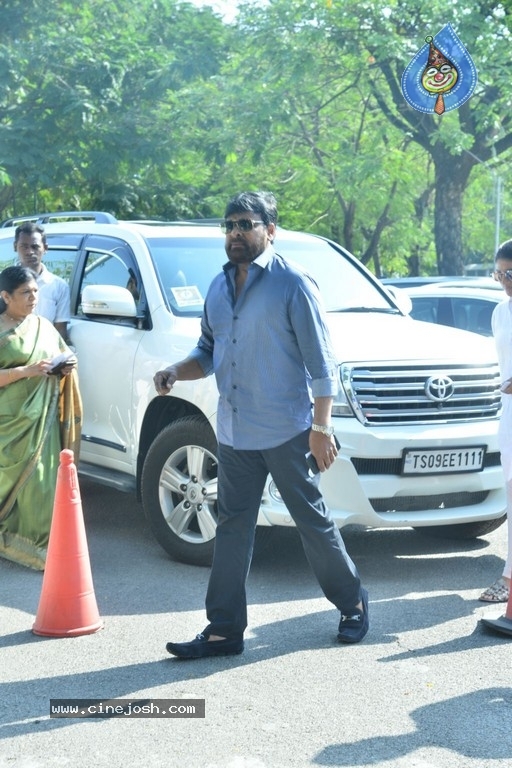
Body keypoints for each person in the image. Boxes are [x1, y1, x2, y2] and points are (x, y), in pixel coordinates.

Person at [154, 191, 369, 659]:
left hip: (288, 432)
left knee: (312, 523)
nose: (235, 232)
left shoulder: (293, 284)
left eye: (246, 224)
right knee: (231, 529)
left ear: (270, 230)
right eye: (229, 224)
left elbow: (322, 364)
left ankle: (352, 603)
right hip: (234, 432)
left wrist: (321, 427)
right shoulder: (217, 285)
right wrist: (176, 370)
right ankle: (224, 630)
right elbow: (207, 353)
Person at [0, 266, 81, 570]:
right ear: (5, 296)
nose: (34, 297)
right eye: (25, 293)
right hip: (8, 423)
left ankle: (43, 547)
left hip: (41, 419)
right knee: (12, 483)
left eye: (36, 291)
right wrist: (26, 371)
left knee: (43, 483)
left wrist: (64, 366)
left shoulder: (42, 326)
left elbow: (61, 354)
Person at [479, 240, 512, 603]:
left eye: (511, 273)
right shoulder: (500, 312)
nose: (505, 281)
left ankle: (507, 577)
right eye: (499, 274)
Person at [13, 222, 71, 340]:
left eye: (35, 246)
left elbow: (60, 329)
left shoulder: (59, 286)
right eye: (24, 246)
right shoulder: (3, 282)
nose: (29, 252)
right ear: (15, 247)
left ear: (45, 248)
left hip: (45, 355)